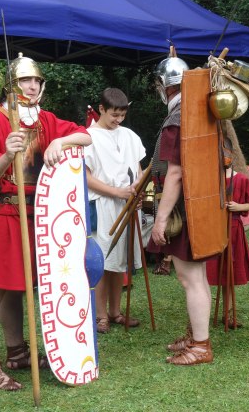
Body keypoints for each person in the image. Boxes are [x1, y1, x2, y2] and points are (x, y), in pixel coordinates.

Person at [0, 53, 92, 391]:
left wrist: (60, 140)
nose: (32, 86)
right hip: (0, 213)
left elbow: (86, 136)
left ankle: (17, 352)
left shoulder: (45, 120)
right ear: (10, 84)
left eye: (36, 80)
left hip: (36, 215)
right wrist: (7, 154)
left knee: (17, 286)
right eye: (24, 80)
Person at [147, 54, 214, 365]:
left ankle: (200, 346)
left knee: (190, 278)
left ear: (165, 86)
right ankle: (195, 334)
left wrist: (161, 219)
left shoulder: (178, 117)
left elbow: (175, 173)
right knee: (197, 276)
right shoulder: (198, 111)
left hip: (185, 208)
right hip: (200, 204)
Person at [84, 87, 145, 334]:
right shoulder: (88, 137)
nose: (118, 120)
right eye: (114, 115)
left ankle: (115, 312)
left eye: (122, 115)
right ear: (101, 109)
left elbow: (138, 170)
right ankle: (101, 316)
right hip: (103, 205)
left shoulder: (130, 136)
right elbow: (86, 177)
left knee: (120, 260)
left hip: (127, 203)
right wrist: (117, 192)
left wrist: (136, 192)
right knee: (102, 261)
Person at [206, 166, 249, 329]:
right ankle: (202, 313)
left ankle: (227, 314)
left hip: (233, 230)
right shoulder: (210, 177)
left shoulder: (241, 179)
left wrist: (239, 207)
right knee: (210, 272)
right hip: (214, 230)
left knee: (229, 272)